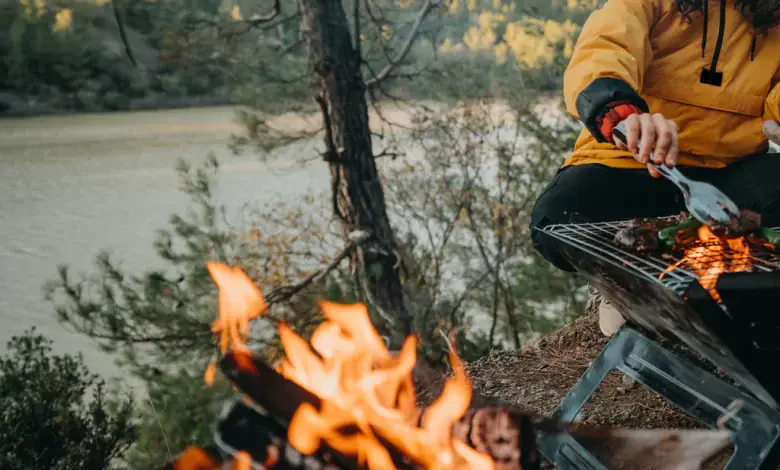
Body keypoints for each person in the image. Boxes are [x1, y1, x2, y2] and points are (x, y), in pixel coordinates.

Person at [529, 0, 780, 337]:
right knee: (558, 216)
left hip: (730, 170)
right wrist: (619, 110)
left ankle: (727, 289)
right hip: (633, 159)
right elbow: (606, 45)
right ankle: (623, 286)